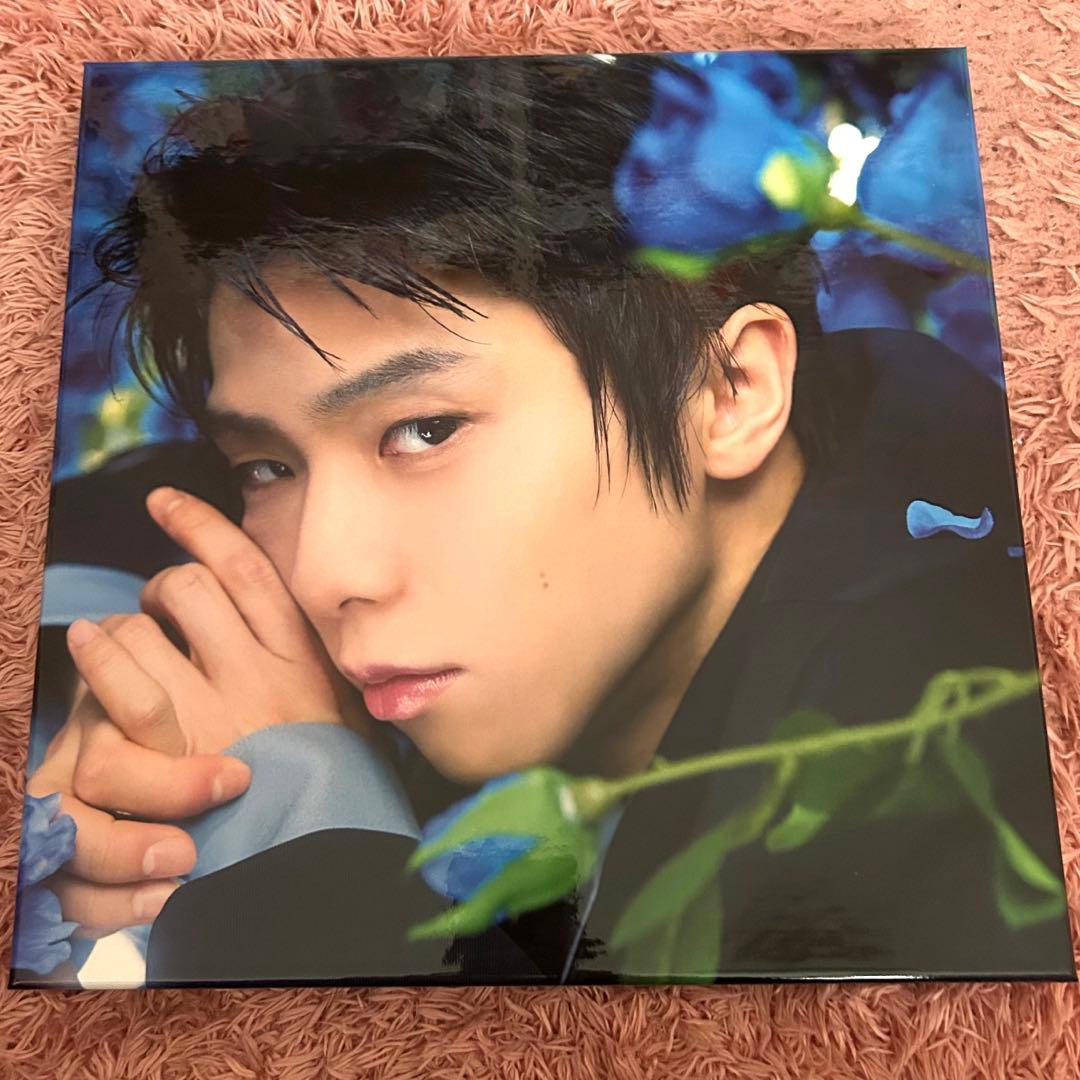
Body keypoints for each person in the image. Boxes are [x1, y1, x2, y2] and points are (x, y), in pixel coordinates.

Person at [15, 53, 1073, 986]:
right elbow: (134, 504)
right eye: (269, 465)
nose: (324, 575)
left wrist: (297, 833)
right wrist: (105, 683)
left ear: (730, 392)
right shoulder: (885, 448)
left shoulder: (960, 830)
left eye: (425, 430)